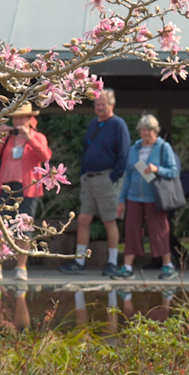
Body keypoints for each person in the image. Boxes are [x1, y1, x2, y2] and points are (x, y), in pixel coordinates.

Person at [60, 89, 130, 276]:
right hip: (88, 178)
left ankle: (112, 262)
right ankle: (79, 261)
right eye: (97, 104)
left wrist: (112, 178)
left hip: (106, 178)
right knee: (83, 219)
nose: (99, 107)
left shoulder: (118, 125)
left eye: (103, 104)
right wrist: (83, 173)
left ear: (112, 105)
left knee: (109, 220)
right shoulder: (93, 124)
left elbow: (124, 155)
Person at [0, 102, 52, 280]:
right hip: (6, 187)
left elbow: (45, 157)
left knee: (24, 228)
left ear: (31, 119)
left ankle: (21, 267)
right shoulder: (7, 138)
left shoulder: (38, 137)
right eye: (16, 117)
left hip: (28, 189)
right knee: (0, 226)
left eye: (22, 117)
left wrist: (29, 138)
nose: (19, 120)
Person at [110, 114, 180, 281]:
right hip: (134, 196)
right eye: (143, 129)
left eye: (149, 129)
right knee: (132, 230)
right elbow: (127, 175)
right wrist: (122, 199)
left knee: (160, 231)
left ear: (155, 131)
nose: (146, 133)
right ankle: (127, 268)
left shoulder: (164, 147)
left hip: (155, 196)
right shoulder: (134, 149)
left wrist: (157, 169)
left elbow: (173, 171)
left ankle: (167, 266)